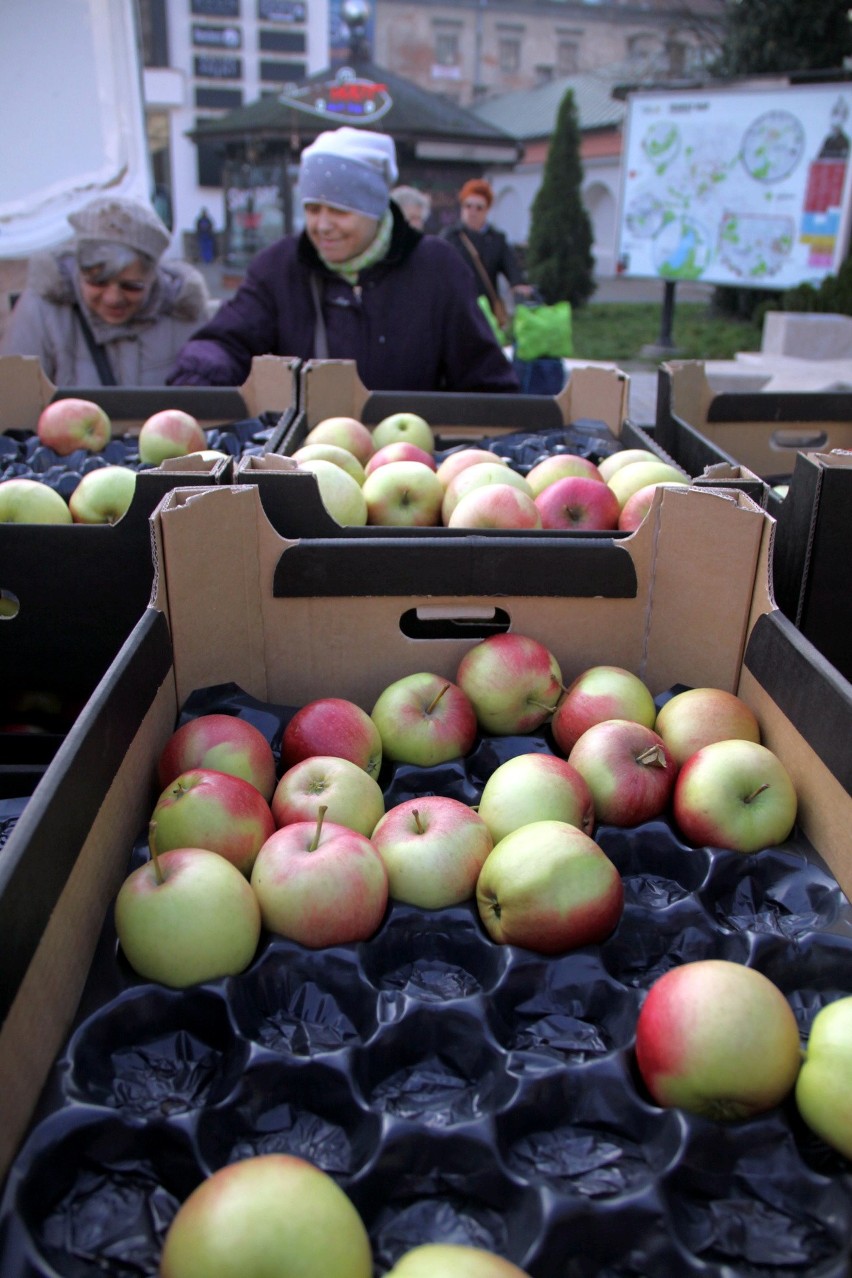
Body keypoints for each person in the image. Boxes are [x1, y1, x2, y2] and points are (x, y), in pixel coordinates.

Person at [166, 127, 518, 393]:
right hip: (307, 463)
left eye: (339, 211)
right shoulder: (279, 268)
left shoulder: (437, 268)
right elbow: (229, 340)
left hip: (412, 464)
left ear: (375, 208)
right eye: (312, 209)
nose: (322, 226)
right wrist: (199, 376)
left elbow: (482, 374)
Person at [1, 196, 212, 387]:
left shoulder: (184, 312)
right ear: (78, 271)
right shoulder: (42, 309)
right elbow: (15, 398)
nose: (113, 298)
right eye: (97, 282)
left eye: (131, 286)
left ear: (153, 277)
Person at [440, 178, 533, 325]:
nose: (472, 212)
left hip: (486, 310)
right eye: (468, 206)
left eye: (479, 207)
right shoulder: (450, 236)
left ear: (487, 210)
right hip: (455, 308)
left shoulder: (496, 239)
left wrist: (518, 284)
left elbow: (511, 267)